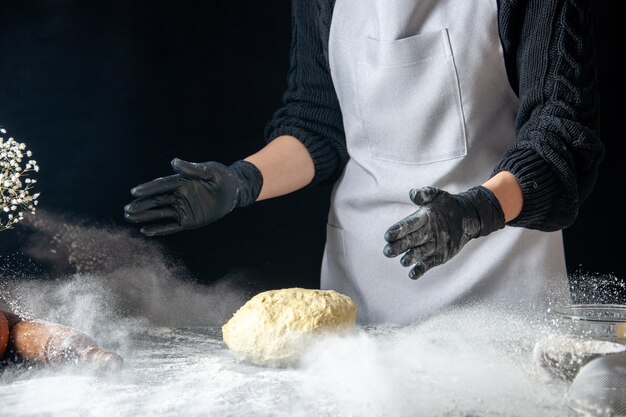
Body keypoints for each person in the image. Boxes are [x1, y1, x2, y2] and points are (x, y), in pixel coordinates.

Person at [124, 0, 604, 324]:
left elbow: (560, 133)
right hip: (362, 300)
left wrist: (476, 210)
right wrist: (241, 181)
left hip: (500, 292)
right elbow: (317, 123)